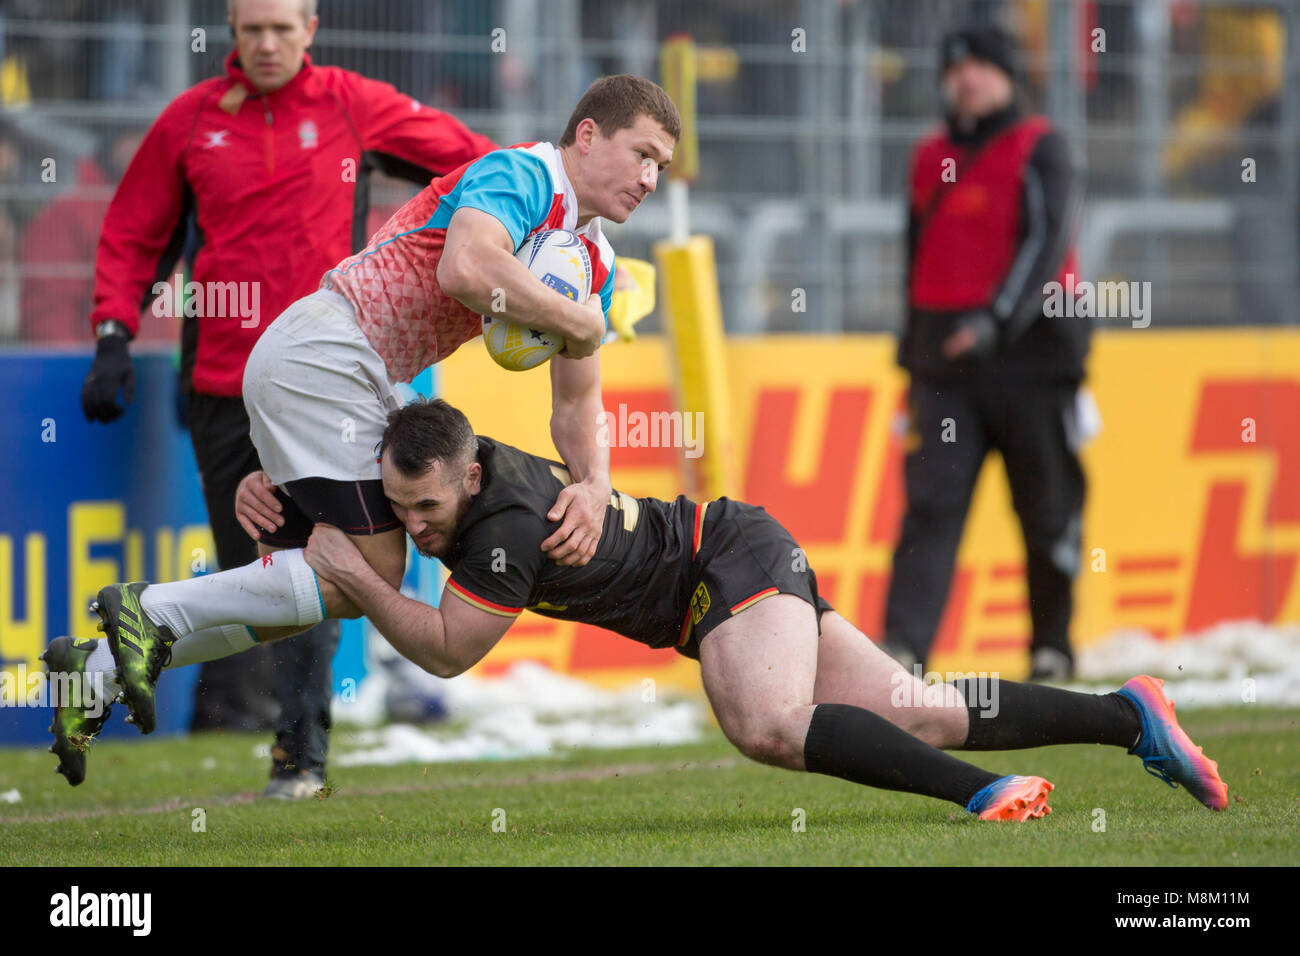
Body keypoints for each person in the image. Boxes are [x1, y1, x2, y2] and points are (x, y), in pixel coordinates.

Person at [47, 397, 1228, 820]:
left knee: (764, 723)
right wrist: (270, 478)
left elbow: (452, 655)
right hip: (723, 558)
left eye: (420, 510)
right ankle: (1128, 717)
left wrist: (357, 581)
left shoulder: (496, 531)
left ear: (464, 475)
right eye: (395, 512)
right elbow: (354, 473)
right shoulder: (443, 464)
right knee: (915, 708)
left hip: (723, 564)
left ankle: (980, 799)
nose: (410, 528)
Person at [46, 73, 680, 789]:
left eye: (662, 165)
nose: (652, 179)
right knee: (372, 571)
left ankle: (97, 666)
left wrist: (595, 485)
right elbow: (467, 266)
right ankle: (146, 612)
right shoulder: (523, 173)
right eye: (644, 154)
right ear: (589, 135)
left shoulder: (590, 259)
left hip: (352, 377)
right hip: (329, 352)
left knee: (317, 591)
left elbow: (575, 403)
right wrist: (577, 320)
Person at [75, 0, 498, 798]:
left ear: (310, 29)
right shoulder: (191, 122)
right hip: (225, 385)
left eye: (281, 28)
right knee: (260, 568)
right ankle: (222, 697)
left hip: (334, 381)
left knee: (330, 560)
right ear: (231, 35)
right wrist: (111, 334)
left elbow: (481, 166)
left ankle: (299, 755)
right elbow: (134, 231)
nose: (266, 44)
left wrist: (520, 230)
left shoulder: (354, 103)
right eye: (250, 30)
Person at [884, 23, 1088, 682]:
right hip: (944, 362)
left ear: (1008, 75)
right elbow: (917, 257)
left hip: (1034, 358)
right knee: (930, 508)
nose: (965, 78)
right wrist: (908, 351)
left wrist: (995, 319)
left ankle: (1050, 646)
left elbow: (1046, 244)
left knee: (1047, 506)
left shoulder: (1040, 147)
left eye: (979, 66)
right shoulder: (927, 157)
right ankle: (904, 651)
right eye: (955, 68)